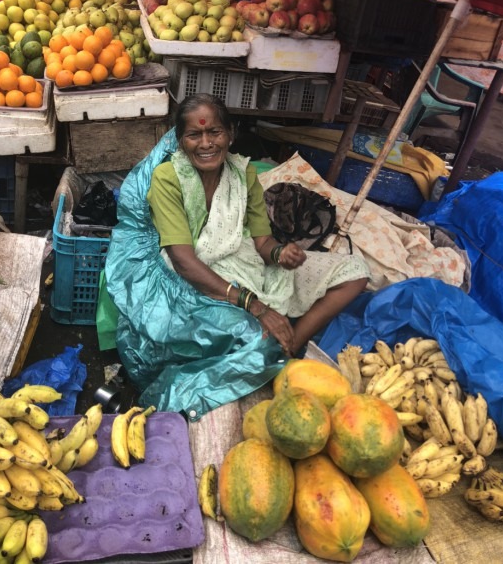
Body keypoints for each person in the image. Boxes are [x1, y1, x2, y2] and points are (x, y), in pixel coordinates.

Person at [105, 94, 369, 418]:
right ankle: (272, 352)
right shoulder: (168, 178)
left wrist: (280, 253)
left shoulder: (243, 175)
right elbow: (184, 259)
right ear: (180, 140)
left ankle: (286, 349)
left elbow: (261, 242)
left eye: (214, 132)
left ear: (230, 133)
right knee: (259, 339)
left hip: (243, 261)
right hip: (190, 277)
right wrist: (255, 306)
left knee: (354, 272)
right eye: (194, 134)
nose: (206, 143)